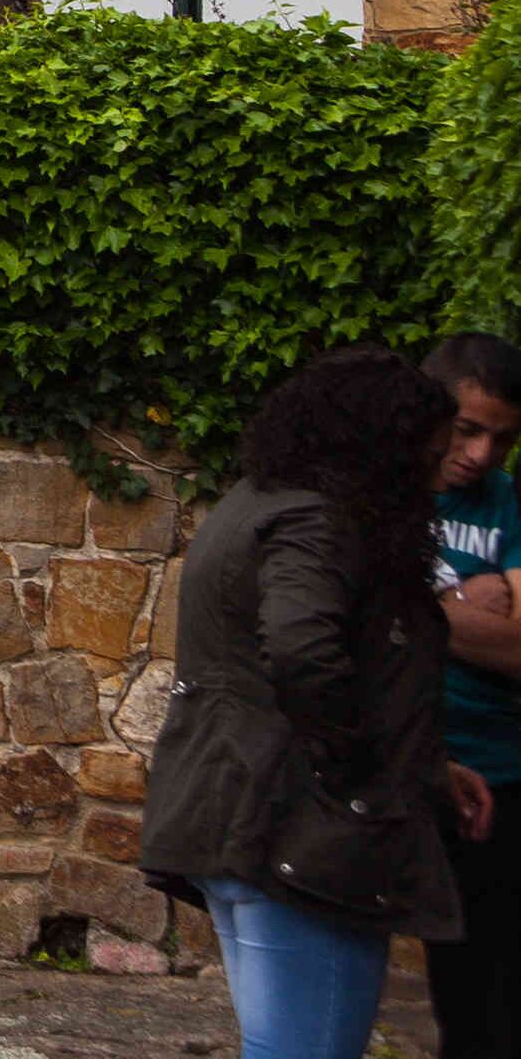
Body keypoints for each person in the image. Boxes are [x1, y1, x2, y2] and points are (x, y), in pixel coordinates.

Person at [144, 343, 494, 1059]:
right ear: (380, 446)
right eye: (423, 454)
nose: (434, 473)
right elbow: (303, 654)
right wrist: (362, 771)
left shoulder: (260, 499)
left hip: (239, 814)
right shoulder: (317, 518)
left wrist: (426, 765)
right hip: (294, 829)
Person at [429, 335, 521, 1058]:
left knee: (484, 1005)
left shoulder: (507, 502)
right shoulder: (382, 489)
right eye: (469, 428)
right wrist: (463, 598)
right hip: (400, 760)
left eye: (504, 438)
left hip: (497, 772)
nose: (484, 454)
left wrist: (415, 605)